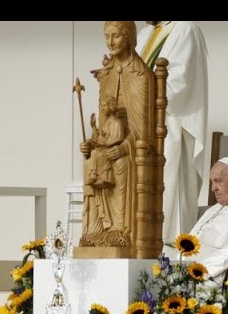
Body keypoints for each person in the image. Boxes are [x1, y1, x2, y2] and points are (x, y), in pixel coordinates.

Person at [80, 21, 153, 248]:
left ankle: (119, 229)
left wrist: (124, 147)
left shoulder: (142, 75)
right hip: (109, 143)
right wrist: (91, 143)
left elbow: (145, 127)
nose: (111, 42)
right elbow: (104, 125)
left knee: (120, 163)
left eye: (116, 36)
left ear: (129, 37)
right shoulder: (107, 74)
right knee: (91, 160)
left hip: (133, 148)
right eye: (107, 37)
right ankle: (95, 230)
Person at [136, 21, 208, 242]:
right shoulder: (144, 34)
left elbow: (179, 85)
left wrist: (135, 84)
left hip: (170, 130)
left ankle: (168, 267)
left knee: (168, 200)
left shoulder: (186, 30)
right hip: (139, 128)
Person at [86, 96, 127, 189]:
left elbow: (118, 138)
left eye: (104, 106)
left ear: (111, 106)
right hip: (105, 146)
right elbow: (98, 139)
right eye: (102, 106)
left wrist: (106, 142)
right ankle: (94, 175)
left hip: (111, 147)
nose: (102, 108)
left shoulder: (116, 122)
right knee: (94, 152)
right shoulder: (105, 123)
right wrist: (93, 126)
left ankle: (106, 178)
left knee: (101, 154)